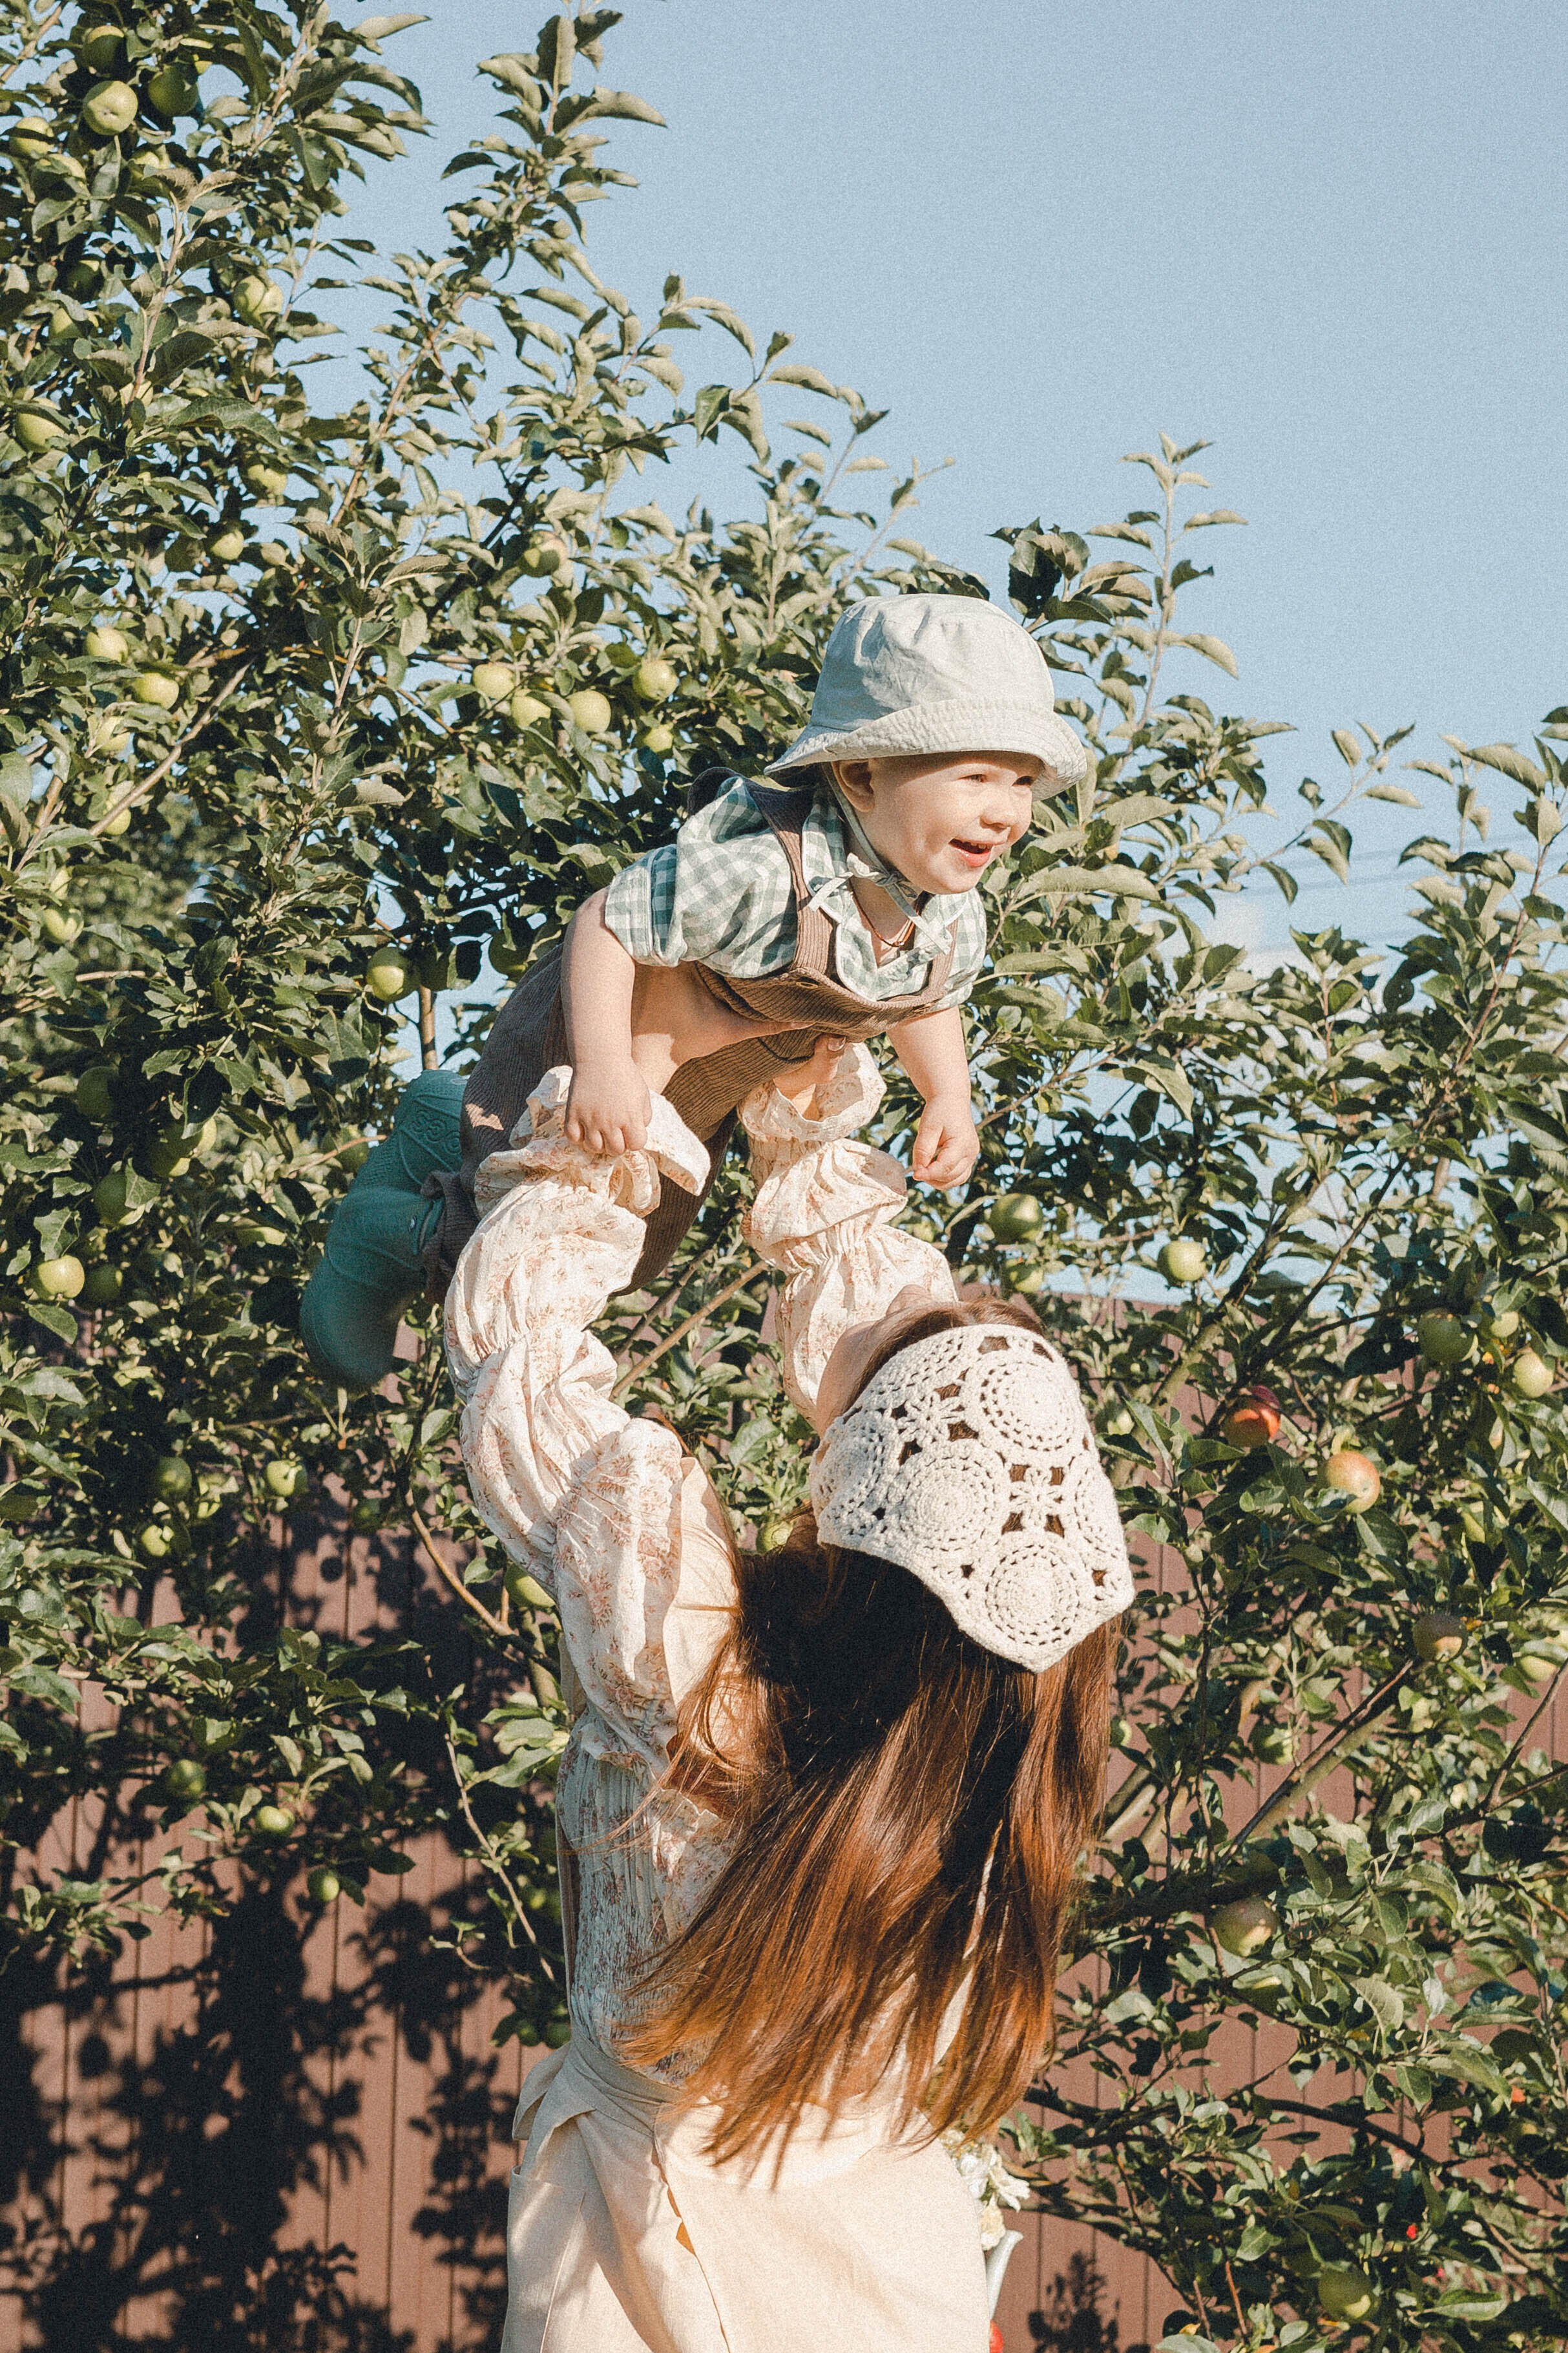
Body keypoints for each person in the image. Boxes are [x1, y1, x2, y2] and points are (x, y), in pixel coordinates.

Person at [444, 1039, 1131, 2353]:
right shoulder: (1010, 1753)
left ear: (861, 1495)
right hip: (885, 2274)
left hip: (655, 2266)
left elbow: (522, 1350)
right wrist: (803, 1117)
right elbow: (918, 1384)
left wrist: (622, 1099)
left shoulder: (696, 1673)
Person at [301, 593, 1086, 1394]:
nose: (1008, 810)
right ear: (860, 775)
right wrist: (603, 1067)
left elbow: (924, 991)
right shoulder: (756, 874)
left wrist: (946, 1092)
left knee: (631, 1256)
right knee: (533, 1232)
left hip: (703, 1089)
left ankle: (442, 1116)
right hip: (594, 1041)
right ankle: (379, 1240)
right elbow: (606, 920)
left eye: (1022, 780)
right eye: (977, 776)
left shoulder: (951, 911)